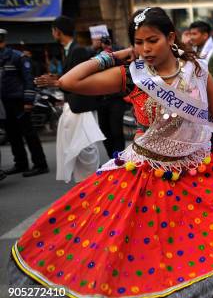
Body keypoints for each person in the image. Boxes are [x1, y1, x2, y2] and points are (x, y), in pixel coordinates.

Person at [9, 7, 213, 298]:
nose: (145, 48)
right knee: (144, 256)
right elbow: (69, 81)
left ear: (171, 37)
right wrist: (117, 55)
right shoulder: (132, 75)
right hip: (145, 174)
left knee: (203, 247)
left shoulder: (196, 70)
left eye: (152, 40)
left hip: (195, 170)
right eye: (138, 42)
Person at [35, 16, 104, 182]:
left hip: (82, 106)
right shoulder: (68, 50)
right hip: (73, 105)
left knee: (85, 147)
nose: (52, 33)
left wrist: (57, 82)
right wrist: (57, 78)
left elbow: (81, 80)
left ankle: (91, 182)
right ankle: (84, 183)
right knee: (75, 147)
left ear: (57, 31)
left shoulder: (77, 50)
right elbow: (71, 76)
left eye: (53, 30)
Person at [0, 28, 49, 177]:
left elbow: (29, 80)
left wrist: (28, 101)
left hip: (19, 102)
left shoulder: (17, 57)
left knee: (29, 133)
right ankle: (20, 164)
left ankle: (40, 164)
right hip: (4, 103)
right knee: (12, 134)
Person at [91, 35, 127, 158]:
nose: (105, 43)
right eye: (102, 41)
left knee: (116, 131)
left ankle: (119, 158)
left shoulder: (118, 52)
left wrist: (113, 51)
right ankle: (112, 158)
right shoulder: (95, 54)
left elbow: (123, 65)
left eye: (107, 40)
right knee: (104, 131)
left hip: (116, 99)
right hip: (101, 99)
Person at [189, 21, 213, 107]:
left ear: (205, 35)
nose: (191, 37)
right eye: (190, 34)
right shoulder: (194, 52)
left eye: (194, 34)